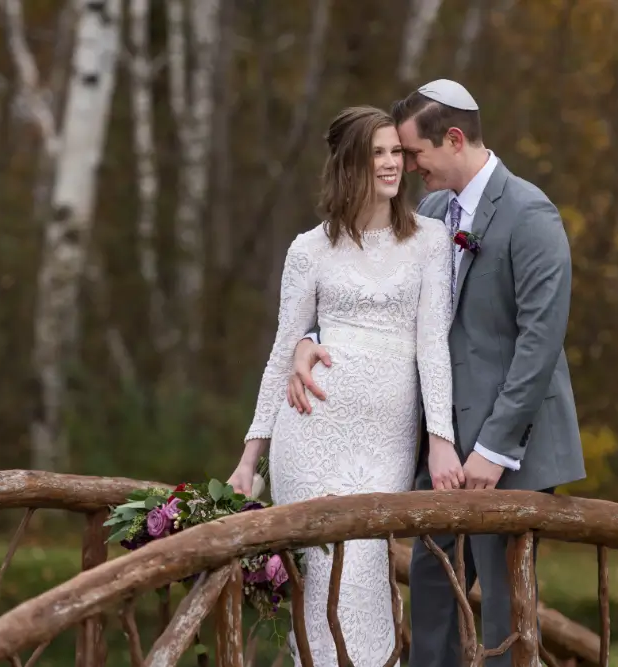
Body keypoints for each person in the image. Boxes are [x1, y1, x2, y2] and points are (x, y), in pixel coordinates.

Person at [285, 80, 586, 667]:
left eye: (414, 153)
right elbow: (384, 307)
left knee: (503, 612)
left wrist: (494, 451)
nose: (406, 166)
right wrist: (309, 338)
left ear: (452, 139)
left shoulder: (530, 213)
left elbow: (540, 344)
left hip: (513, 453)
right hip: (442, 452)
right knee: (431, 594)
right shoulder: (428, 214)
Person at [229, 105, 458, 667]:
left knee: (363, 569)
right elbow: (284, 351)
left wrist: (441, 436)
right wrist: (248, 458)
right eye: (377, 152)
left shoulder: (431, 239)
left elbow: (433, 344)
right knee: (317, 573)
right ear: (348, 162)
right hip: (311, 434)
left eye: (395, 152)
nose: (390, 164)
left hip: (385, 439)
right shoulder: (309, 249)